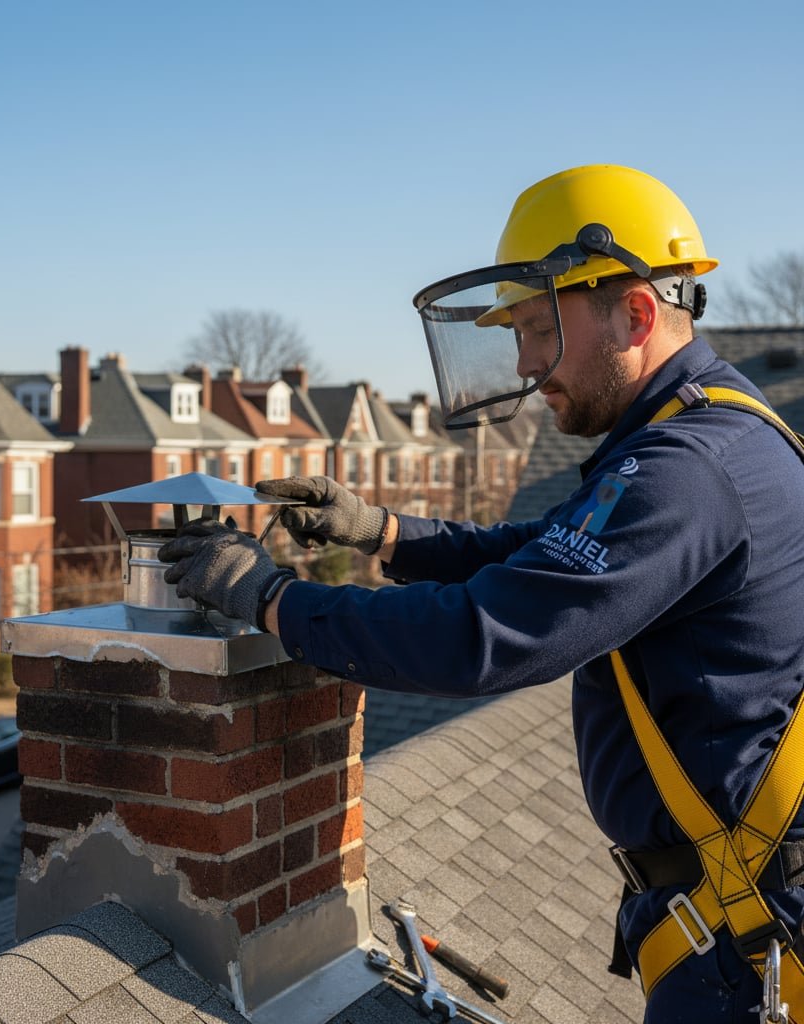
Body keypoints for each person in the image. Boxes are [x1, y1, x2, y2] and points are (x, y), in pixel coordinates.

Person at [158, 164, 804, 1023]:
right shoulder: (704, 427)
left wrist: (270, 599)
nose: (527, 365)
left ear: (637, 313)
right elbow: (546, 553)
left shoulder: (685, 469)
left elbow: (484, 635)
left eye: (539, 329)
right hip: (735, 909)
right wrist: (385, 533)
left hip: (745, 937)